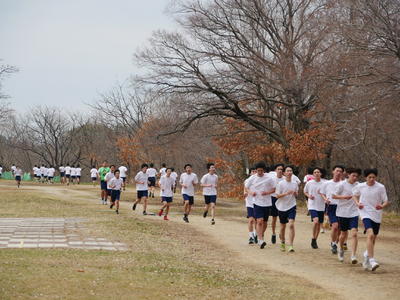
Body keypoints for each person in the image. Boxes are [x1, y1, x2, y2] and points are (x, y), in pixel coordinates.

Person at [353, 168, 389, 271]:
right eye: (369, 177)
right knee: (370, 234)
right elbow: (354, 195)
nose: (372, 179)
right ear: (365, 178)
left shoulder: (380, 187)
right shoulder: (360, 186)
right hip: (365, 212)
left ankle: (366, 256)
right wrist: (357, 203)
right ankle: (372, 260)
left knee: (373, 238)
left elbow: (386, 201)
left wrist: (382, 206)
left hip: (377, 214)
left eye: (373, 177)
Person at [332, 167, 361, 264]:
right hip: (342, 212)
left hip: (354, 212)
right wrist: (345, 197)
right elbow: (334, 196)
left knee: (354, 233)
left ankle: (353, 255)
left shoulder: (358, 185)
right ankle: (341, 250)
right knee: (343, 234)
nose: (355, 177)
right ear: (348, 175)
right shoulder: (342, 185)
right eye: (353, 175)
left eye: (356, 176)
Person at [245, 161, 275, 249]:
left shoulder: (269, 178)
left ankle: (259, 234)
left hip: (267, 202)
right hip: (257, 202)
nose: (260, 172)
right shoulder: (252, 178)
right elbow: (246, 188)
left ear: (264, 170)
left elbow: (274, 189)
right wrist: (251, 192)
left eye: (261, 171)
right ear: (256, 170)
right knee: (259, 221)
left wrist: (267, 192)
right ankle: (261, 240)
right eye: (258, 171)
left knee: (265, 222)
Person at [320, 165, 345, 254]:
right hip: (331, 206)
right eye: (337, 171)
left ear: (342, 173)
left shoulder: (344, 184)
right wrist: (325, 198)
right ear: (333, 171)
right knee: (335, 226)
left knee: (340, 229)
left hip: (342, 207)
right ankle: (333, 243)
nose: (338, 173)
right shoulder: (327, 183)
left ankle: (335, 242)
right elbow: (322, 193)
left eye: (340, 171)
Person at [275, 165, 298, 252]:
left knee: (291, 224)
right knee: (282, 227)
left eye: (291, 171)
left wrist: (295, 194)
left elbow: (296, 195)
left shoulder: (295, 183)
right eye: (287, 171)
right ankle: (282, 242)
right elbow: (277, 195)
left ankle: (291, 245)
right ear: (284, 173)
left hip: (292, 205)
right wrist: (286, 193)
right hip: (281, 207)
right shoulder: (281, 183)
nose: (289, 172)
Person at [304, 167, 326, 249]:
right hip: (312, 205)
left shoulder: (324, 183)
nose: (317, 173)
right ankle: (313, 237)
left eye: (318, 172)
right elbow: (305, 191)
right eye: (315, 172)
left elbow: (327, 193)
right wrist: (309, 196)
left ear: (321, 174)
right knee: (316, 222)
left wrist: (325, 197)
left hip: (321, 206)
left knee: (319, 224)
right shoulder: (309, 183)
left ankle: (314, 240)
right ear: (313, 174)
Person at [269, 163, 285, 244]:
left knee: (282, 219)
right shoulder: (271, 178)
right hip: (274, 198)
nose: (280, 171)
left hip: (282, 200)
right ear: (275, 170)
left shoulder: (285, 179)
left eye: (281, 169)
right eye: (278, 169)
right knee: (274, 218)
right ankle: (273, 233)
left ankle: (281, 233)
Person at [244, 167, 257, 244]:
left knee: (257, 220)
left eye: (255, 171)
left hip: (258, 203)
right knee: (251, 220)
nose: (254, 172)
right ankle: (251, 237)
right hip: (249, 202)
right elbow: (245, 190)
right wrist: (245, 193)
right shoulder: (247, 181)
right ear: (250, 173)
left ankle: (255, 234)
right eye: (253, 171)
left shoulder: (259, 180)